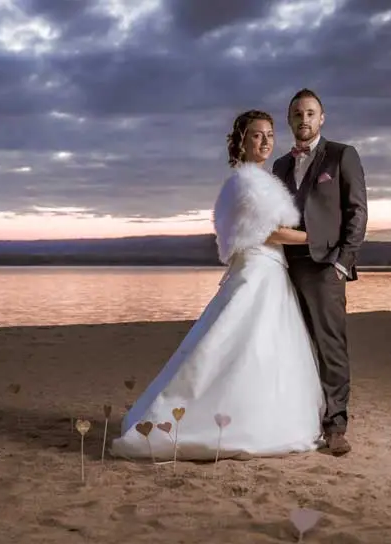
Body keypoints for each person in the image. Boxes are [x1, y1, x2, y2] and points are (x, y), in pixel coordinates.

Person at [110, 110, 325, 462]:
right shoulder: (245, 183)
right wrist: (314, 237)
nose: (266, 140)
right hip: (257, 270)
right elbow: (267, 231)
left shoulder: (261, 180)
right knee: (237, 344)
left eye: (270, 134)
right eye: (257, 135)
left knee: (262, 348)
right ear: (241, 140)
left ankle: (263, 418)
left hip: (269, 270)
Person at [271, 89, 367, 456]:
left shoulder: (343, 155)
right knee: (294, 344)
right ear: (289, 119)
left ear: (322, 118)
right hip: (285, 267)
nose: (304, 119)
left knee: (330, 347)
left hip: (326, 266)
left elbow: (357, 212)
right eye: (297, 113)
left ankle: (336, 425)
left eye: (310, 112)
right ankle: (301, 417)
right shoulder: (279, 166)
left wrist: (344, 262)